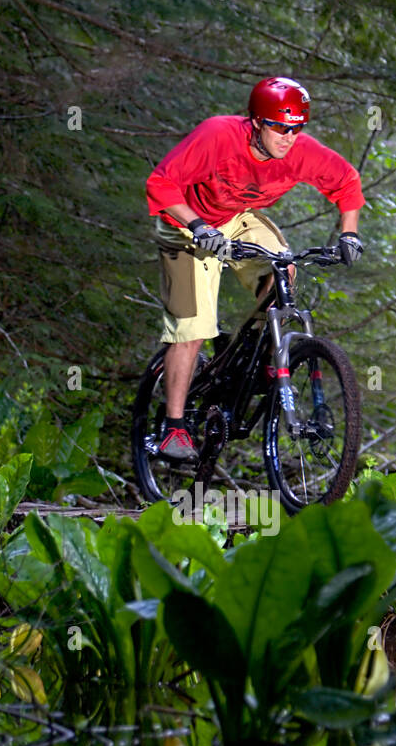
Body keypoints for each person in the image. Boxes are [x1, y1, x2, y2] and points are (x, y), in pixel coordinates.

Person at [145, 76, 366, 461]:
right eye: (280, 127)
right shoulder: (218, 136)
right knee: (192, 327)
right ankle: (173, 426)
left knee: (284, 270)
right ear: (257, 122)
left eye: (297, 128)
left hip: (235, 218)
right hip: (185, 223)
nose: (288, 137)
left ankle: (260, 354)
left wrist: (349, 235)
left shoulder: (301, 152)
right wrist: (198, 226)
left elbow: (346, 181)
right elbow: (161, 184)